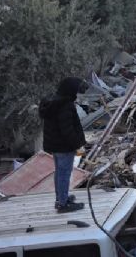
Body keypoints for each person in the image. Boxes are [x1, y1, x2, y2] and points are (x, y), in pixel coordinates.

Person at [39, 77, 87, 213]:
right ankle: (63, 204)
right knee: (64, 174)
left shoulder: (53, 102)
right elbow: (68, 130)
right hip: (64, 146)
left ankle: (60, 199)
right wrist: (77, 144)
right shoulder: (65, 105)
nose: (77, 92)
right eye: (76, 89)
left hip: (55, 145)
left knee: (59, 173)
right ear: (70, 90)